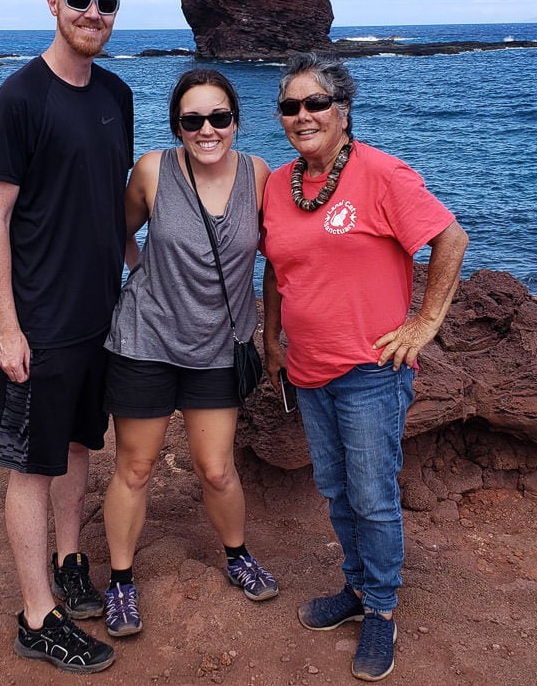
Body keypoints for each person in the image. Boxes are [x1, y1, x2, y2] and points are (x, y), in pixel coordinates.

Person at [260, 54, 468, 682]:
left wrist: (424, 325)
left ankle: (380, 609)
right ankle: (355, 590)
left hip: (370, 370)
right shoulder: (279, 183)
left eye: (315, 103)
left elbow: (449, 238)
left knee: (373, 497)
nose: (303, 116)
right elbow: (274, 267)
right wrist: (272, 340)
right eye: (291, 107)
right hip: (308, 369)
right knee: (335, 488)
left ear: (343, 111)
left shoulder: (381, 173)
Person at [0, 0, 133, 674]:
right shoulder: (19, 98)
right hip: (39, 320)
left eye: (106, 3)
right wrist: (7, 325)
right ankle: (36, 617)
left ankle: (71, 559)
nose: (93, 13)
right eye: (80, 0)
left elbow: (106, 202)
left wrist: (145, 271)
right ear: (52, 3)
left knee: (77, 446)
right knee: (29, 466)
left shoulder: (117, 96)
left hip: (99, 316)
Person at [100, 68, 277, 638]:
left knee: (217, 469)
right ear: (177, 125)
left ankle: (237, 555)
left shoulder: (259, 174)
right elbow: (119, 231)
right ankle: (121, 583)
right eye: (193, 120)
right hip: (146, 341)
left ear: (236, 120)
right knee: (136, 465)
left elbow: (282, 253)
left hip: (219, 347)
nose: (207, 130)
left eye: (219, 117)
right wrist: (140, 272)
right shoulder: (152, 170)